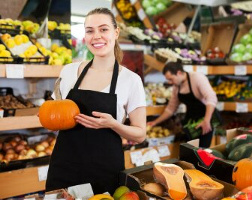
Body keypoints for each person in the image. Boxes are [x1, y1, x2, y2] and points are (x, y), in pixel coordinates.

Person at [45, 8, 146, 194]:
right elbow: (54, 111)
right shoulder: (68, 72)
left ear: (116, 33)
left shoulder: (131, 80)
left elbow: (140, 134)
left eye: (103, 29)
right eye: (90, 30)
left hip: (104, 171)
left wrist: (113, 124)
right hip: (64, 166)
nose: (96, 36)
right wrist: (47, 117)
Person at [147, 62, 218, 148]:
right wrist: (155, 122)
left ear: (179, 73)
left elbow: (211, 98)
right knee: (190, 150)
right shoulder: (177, 86)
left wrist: (206, 120)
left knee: (202, 150)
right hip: (190, 119)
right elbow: (171, 109)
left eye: (171, 79)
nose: (170, 82)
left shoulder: (197, 78)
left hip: (205, 117)